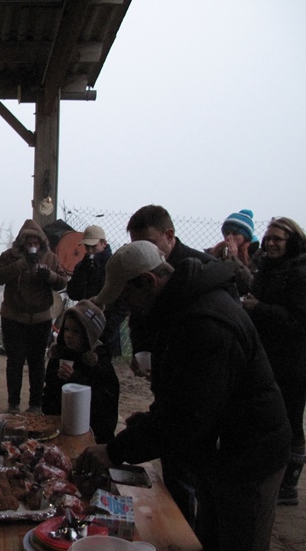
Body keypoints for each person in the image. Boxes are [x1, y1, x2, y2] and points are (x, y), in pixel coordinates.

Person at [77, 241, 290, 551]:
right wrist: (151, 421)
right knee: (209, 537)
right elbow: (188, 395)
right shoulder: (182, 308)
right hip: (220, 449)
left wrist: (115, 450)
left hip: (250, 454)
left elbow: (188, 417)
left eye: (126, 296)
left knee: (238, 539)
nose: (126, 307)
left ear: (148, 281)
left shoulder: (206, 323)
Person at [125, 204, 216, 523]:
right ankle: (178, 525)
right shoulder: (145, 272)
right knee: (174, 467)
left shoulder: (201, 273)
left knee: (196, 472)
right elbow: (138, 316)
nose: (142, 250)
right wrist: (142, 351)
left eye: (148, 243)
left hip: (204, 399)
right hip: (168, 382)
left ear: (169, 236)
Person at [242, 217, 306, 505]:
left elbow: (299, 321)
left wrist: (260, 308)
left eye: (277, 238)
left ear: (291, 240)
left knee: (291, 418)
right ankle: (268, 474)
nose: (270, 243)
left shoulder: (301, 273)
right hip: (267, 355)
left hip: (294, 360)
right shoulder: (267, 267)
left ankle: (288, 484)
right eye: (268, 238)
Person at [0, 219, 67, 414]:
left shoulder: (50, 258)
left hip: (41, 318)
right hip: (13, 317)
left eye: (36, 242)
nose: (33, 246)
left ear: (42, 242)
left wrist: (49, 275)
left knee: (37, 362)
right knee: (15, 361)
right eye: (29, 242)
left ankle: (35, 404)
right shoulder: (10, 256)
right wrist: (21, 265)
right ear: (22, 242)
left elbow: (62, 282)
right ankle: (13, 403)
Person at [42, 299, 119, 443]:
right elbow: (48, 394)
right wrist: (57, 380)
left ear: (89, 335)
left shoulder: (99, 363)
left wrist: (75, 381)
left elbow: (106, 406)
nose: (69, 335)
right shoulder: (59, 356)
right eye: (66, 329)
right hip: (58, 427)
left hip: (90, 431)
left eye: (76, 331)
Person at [65, 225, 127, 357]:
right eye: (87, 247)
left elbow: (122, 303)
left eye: (94, 247)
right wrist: (82, 272)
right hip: (83, 326)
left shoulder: (114, 266)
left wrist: (108, 329)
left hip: (106, 330)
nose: (90, 251)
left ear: (104, 243)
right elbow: (74, 293)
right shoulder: (82, 266)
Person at [206, 209, 258, 294]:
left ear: (246, 237)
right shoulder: (219, 252)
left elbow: (252, 285)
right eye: (226, 233)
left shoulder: (256, 256)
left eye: (235, 234)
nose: (229, 237)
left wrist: (234, 259)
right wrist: (212, 255)